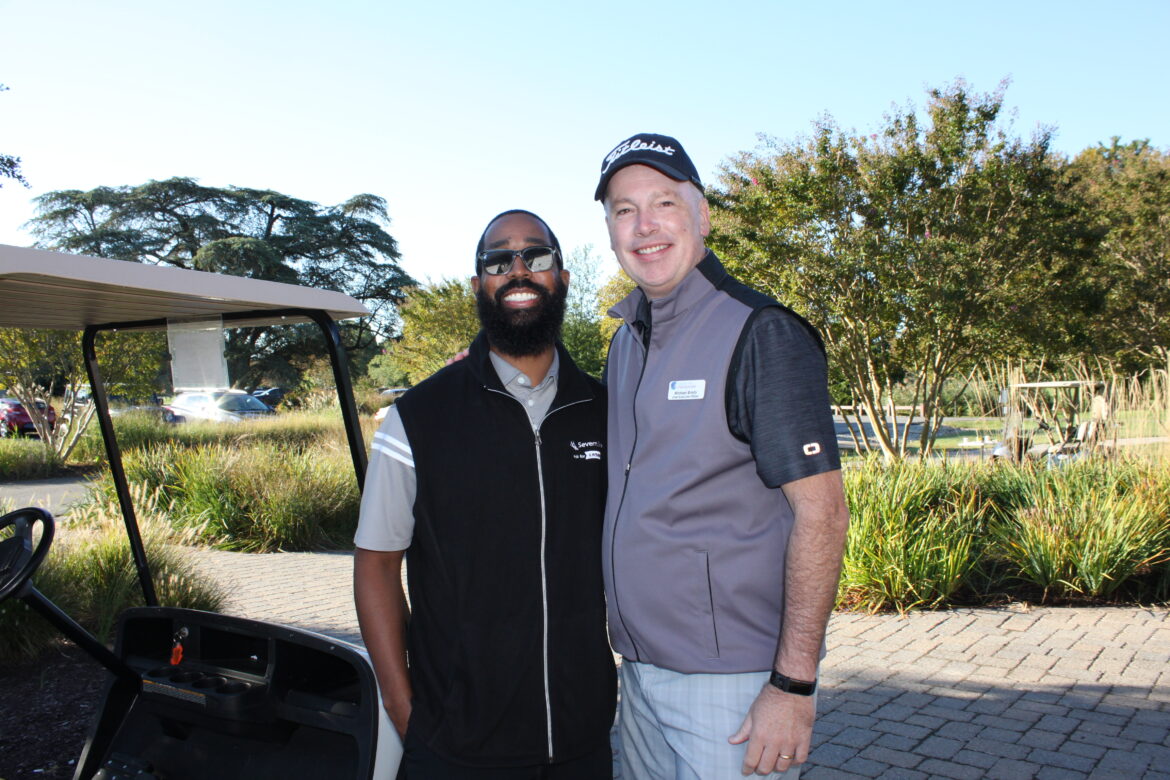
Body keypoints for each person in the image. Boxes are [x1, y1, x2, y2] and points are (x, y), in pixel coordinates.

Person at [594, 134, 850, 779]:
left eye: (663, 204)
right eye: (624, 210)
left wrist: (792, 687)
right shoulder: (627, 342)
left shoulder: (762, 332)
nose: (644, 226)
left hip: (731, 688)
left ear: (702, 215)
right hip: (641, 676)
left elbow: (824, 516)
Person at [353, 210, 616, 779]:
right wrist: (404, 710)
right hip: (455, 747)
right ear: (479, 285)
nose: (518, 270)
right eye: (498, 261)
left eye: (536, 256)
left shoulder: (606, 412)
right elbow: (376, 565)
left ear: (563, 277)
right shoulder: (417, 419)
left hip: (582, 740)